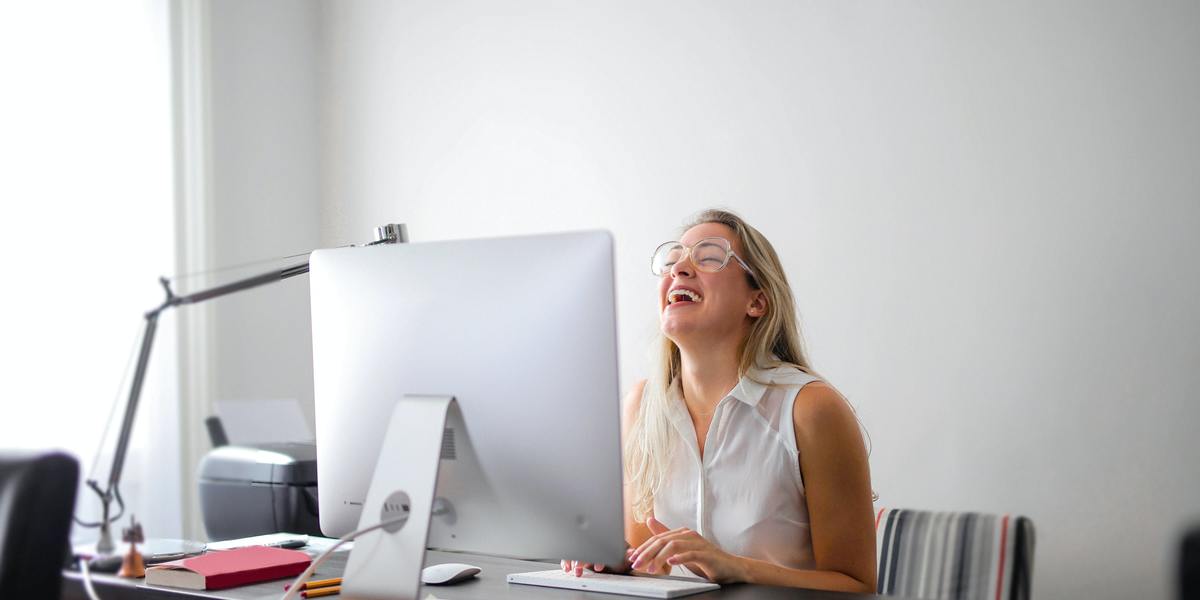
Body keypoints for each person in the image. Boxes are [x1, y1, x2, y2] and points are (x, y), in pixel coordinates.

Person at [562, 209, 877, 593]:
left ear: (757, 302)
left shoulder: (812, 409)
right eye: (673, 259)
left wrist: (735, 567)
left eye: (709, 256)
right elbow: (649, 563)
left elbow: (858, 587)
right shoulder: (640, 406)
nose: (680, 268)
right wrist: (613, 563)